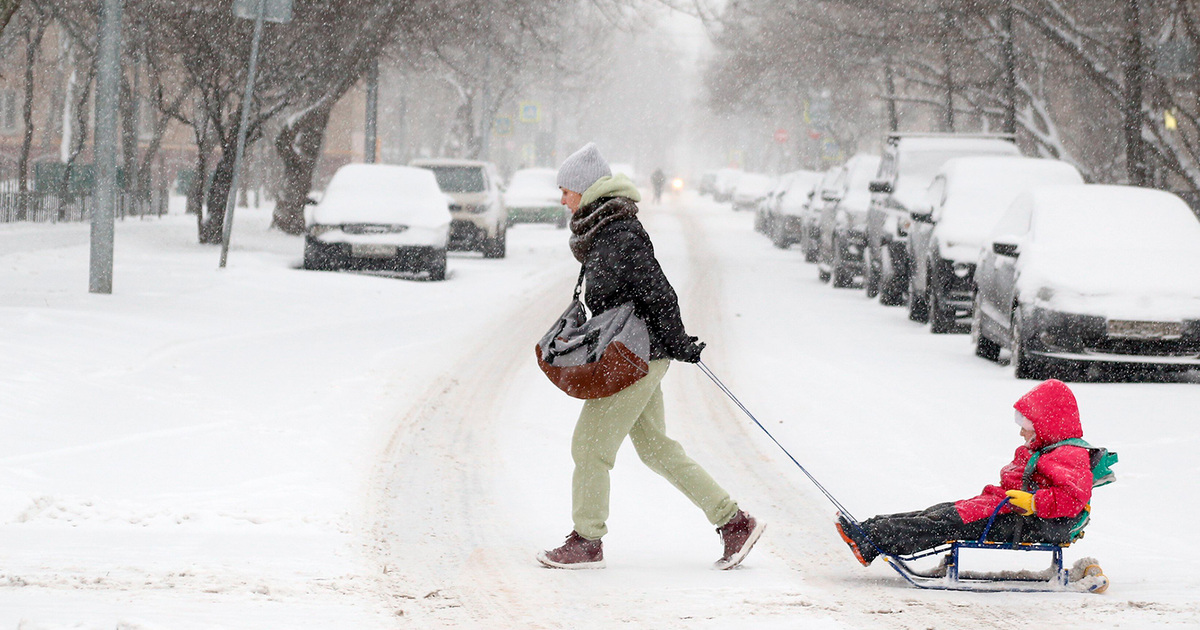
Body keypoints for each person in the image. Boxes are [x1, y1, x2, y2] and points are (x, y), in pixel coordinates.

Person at [537, 142, 764, 571]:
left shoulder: (619, 232)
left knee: (589, 447)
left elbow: (658, 291)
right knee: (656, 449)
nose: (562, 198)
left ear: (585, 191)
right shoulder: (603, 229)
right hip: (637, 353)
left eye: (566, 190)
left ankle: (587, 541)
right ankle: (734, 522)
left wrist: (676, 340)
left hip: (635, 357)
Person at [836, 379, 1093, 565]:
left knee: (944, 523)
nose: (1021, 431)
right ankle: (868, 531)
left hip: (1029, 524)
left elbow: (1073, 499)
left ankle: (871, 539)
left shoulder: (1069, 454)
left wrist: (1035, 502)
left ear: (1047, 422)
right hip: (1006, 511)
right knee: (939, 512)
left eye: (1026, 423)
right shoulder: (1048, 449)